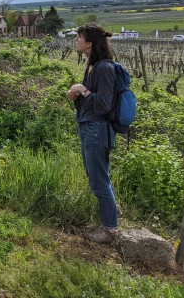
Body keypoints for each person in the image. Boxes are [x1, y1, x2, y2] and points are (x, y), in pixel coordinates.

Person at [68, 22, 118, 243]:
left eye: (79, 38)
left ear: (89, 43)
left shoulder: (105, 68)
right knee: (97, 176)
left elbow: (104, 104)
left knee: (98, 181)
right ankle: (112, 213)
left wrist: (84, 90)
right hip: (89, 127)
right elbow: (91, 102)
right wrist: (78, 97)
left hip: (97, 130)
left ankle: (109, 230)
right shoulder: (92, 66)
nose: (76, 41)